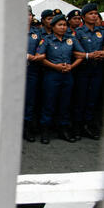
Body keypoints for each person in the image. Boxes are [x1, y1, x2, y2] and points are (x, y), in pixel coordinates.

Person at [38, 14, 85, 144]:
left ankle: (63, 129)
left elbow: (81, 55)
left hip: (67, 75)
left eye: (64, 25)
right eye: (60, 25)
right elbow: (40, 57)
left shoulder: (71, 39)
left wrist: (71, 66)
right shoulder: (47, 40)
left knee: (65, 103)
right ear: (53, 27)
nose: (63, 27)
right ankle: (45, 131)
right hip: (52, 75)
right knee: (49, 103)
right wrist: (55, 66)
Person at [72, 3, 104, 140]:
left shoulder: (101, 31)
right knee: (80, 98)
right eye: (91, 14)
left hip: (98, 69)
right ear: (84, 17)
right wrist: (89, 55)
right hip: (83, 69)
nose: (94, 16)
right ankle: (77, 126)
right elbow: (74, 51)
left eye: (96, 14)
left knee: (93, 98)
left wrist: (102, 53)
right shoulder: (78, 33)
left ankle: (88, 125)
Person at [24, 6, 45, 142]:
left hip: (32, 70)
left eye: (29, 14)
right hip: (13, 71)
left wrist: (34, 57)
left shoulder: (38, 33)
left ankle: (27, 127)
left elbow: (42, 50)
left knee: (30, 100)